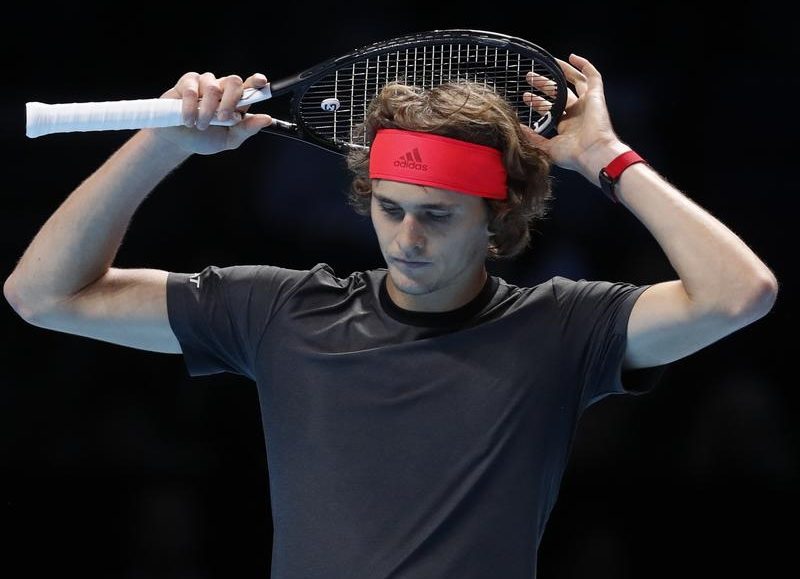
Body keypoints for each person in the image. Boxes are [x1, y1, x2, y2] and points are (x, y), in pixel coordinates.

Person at [4, 54, 778, 578]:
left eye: (436, 215)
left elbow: (738, 293)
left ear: (497, 219)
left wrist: (606, 156)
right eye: (390, 207)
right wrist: (162, 144)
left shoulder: (565, 329)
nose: (406, 238)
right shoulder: (279, 310)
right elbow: (43, 295)